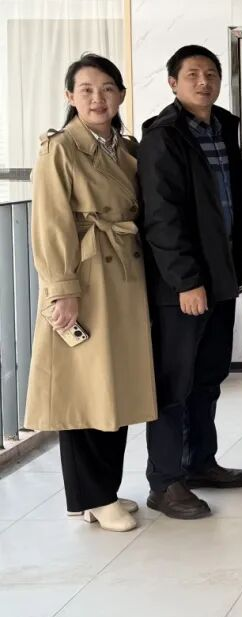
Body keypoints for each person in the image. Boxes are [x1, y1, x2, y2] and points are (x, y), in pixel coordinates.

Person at [24, 54, 157, 533]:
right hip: (86, 278)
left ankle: (102, 493)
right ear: (69, 97)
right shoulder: (60, 149)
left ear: (121, 94)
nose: (97, 98)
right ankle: (93, 497)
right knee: (84, 389)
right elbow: (50, 223)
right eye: (86, 90)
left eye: (107, 88)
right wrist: (63, 290)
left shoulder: (125, 147)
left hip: (123, 275)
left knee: (112, 386)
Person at [140, 45, 242, 520]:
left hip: (220, 281)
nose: (203, 82)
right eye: (192, 75)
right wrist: (186, 281)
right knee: (174, 384)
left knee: (208, 377)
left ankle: (200, 462)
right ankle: (164, 482)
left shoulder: (224, 127)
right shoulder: (163, 137)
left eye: (211, 74)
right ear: (173, 82)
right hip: (182, 288)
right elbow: (162, 217)